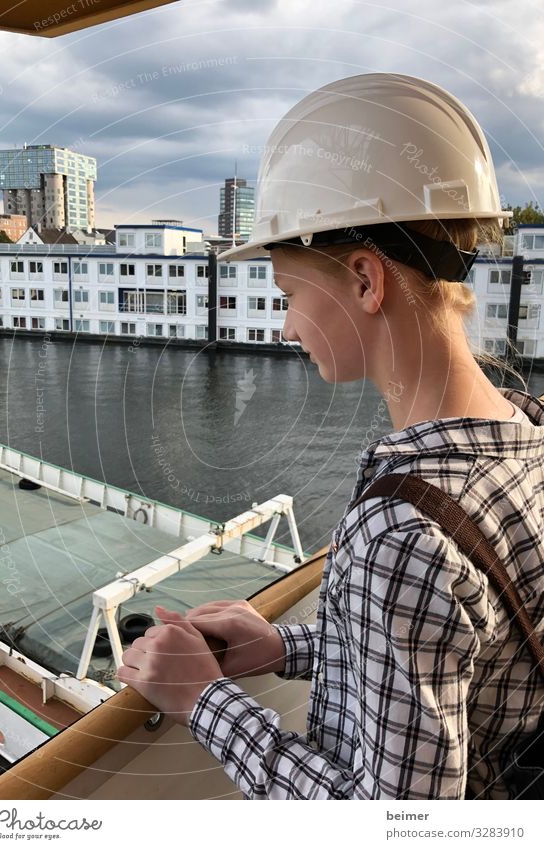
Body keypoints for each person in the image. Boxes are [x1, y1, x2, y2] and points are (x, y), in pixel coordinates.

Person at [118, 73, 544, 799]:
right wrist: (287, 643)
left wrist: (203, 699)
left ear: (365, 281)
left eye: (288, 294)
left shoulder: (402, 530)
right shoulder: (525, 434)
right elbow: (454, 655)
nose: (283, 326)